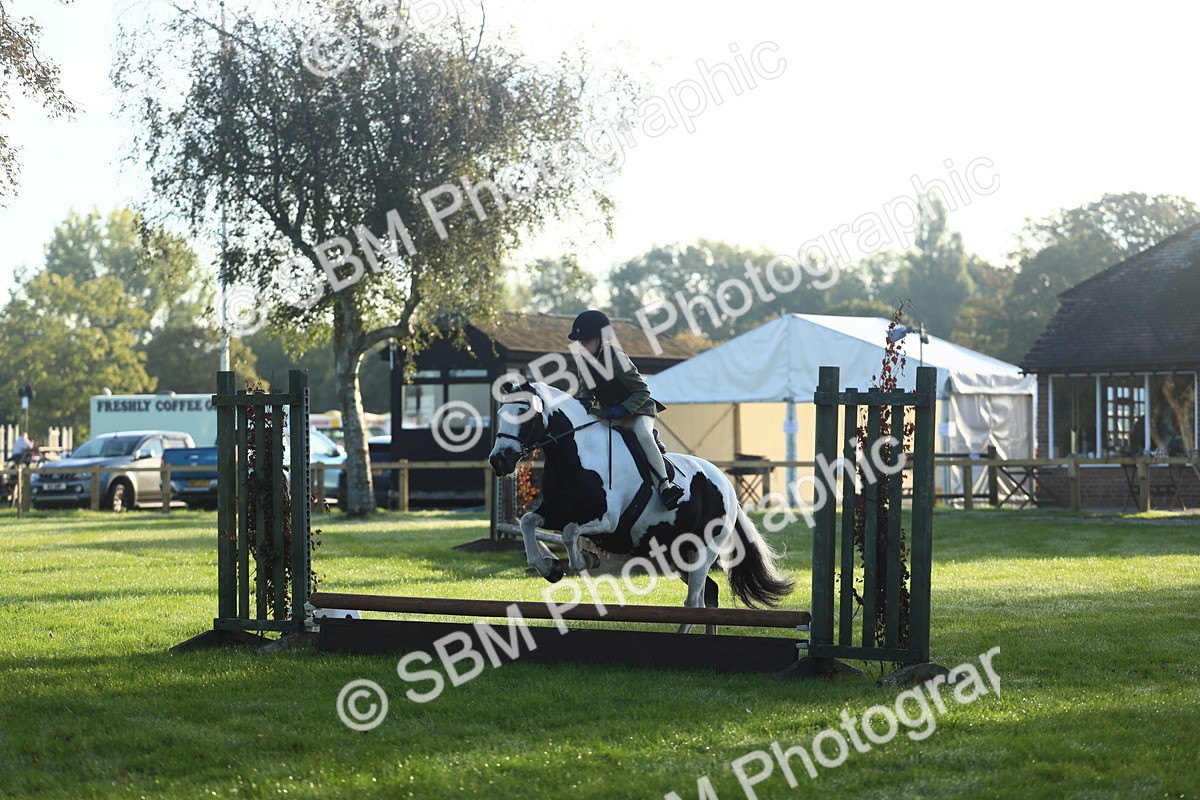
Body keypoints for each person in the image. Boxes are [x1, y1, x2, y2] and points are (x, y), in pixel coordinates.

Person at [568, 309, 684, 509]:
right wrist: (583, 404)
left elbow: (642, 390)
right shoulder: (582, 361)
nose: (582, 346)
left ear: (601, 339)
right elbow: (587, 391)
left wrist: (623, 408)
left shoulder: (616, 358)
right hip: (609, 412)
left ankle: (666, 486)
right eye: (580, 341)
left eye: (586, 340)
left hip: (638, 410)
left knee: (644, 436)